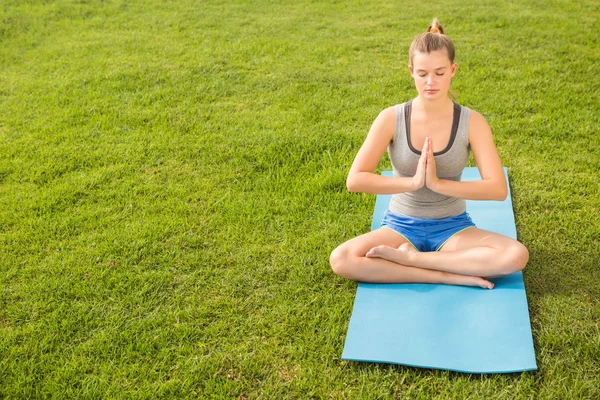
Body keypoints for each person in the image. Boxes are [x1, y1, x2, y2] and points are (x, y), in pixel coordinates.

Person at [329, 18, 529, 289]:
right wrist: (412, 183)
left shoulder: (473, 122)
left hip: (453, 227)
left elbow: (497, 189)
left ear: (453, 70)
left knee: (515, 255)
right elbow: (355, 180)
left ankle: (412, 260)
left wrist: (438, 184)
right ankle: (439, 272)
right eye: (422, 74)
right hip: (400, 227)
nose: (430, 82)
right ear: (411, 71)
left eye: (440, 72)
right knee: (341, 259)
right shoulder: (391, 118)